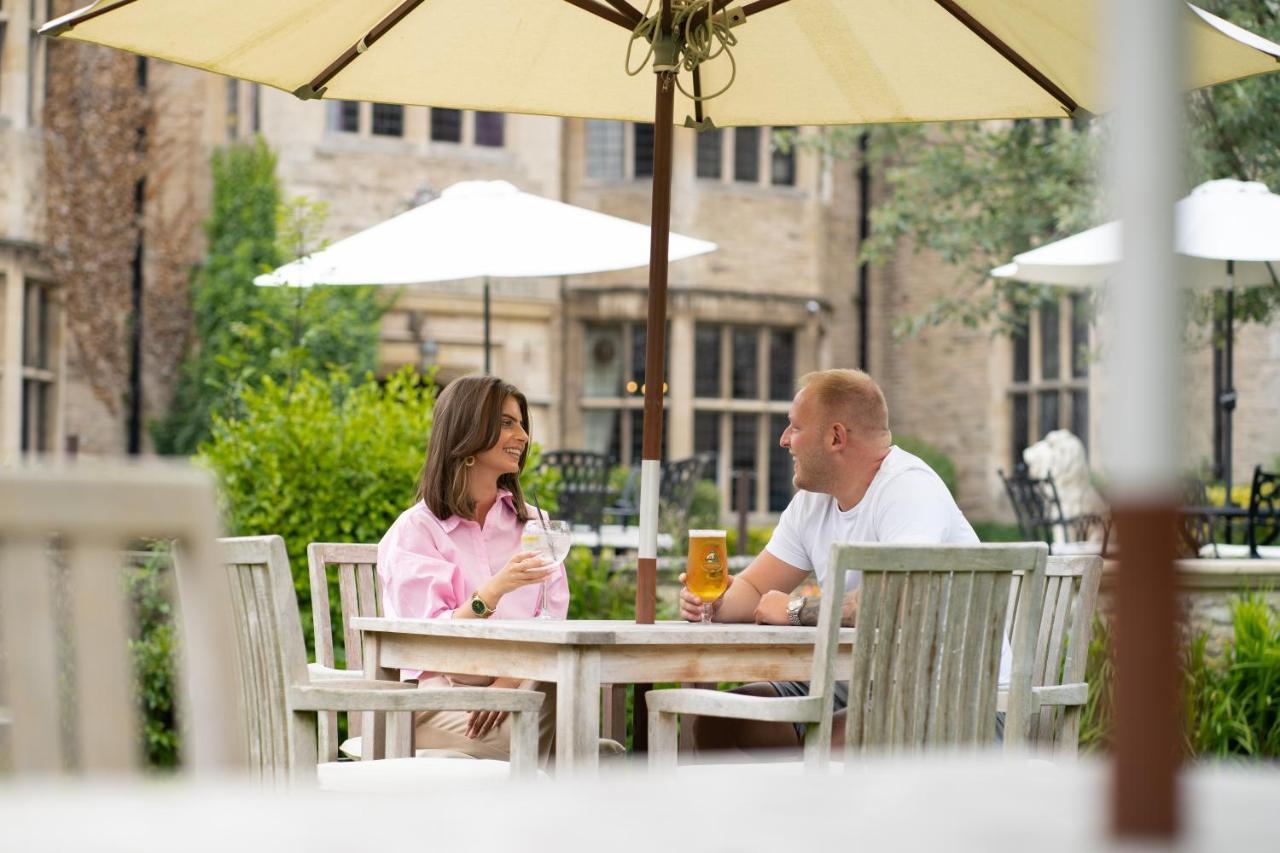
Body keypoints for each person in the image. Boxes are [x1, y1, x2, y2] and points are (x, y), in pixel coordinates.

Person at [679, 368, 1006, 758]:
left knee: (833, 740)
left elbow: (901, 595)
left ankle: (813, 815)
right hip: (860, 683)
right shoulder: (813, 501)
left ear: (835, 436)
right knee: (722, 723)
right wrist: (712, 602)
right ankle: (768, 817)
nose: (784, 441)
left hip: (959, 697)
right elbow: (753, 591)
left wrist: (798, 611)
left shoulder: (908, 488)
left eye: (795, 428)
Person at [378, 374, 567, 764]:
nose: (523, 437)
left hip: (521, 692)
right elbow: (428, 642)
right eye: (506, 423)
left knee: (557, 683)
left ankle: (539, 782)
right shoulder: (416, 531)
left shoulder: (536, 527)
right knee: (594, 756)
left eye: (522, 424)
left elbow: (554, 626)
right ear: (466, 431)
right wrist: (495, 590)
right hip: (440, 702)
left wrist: (507, 685)